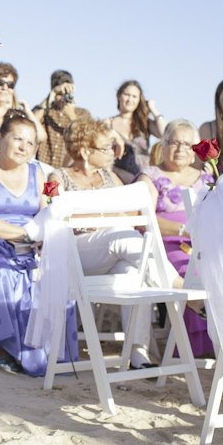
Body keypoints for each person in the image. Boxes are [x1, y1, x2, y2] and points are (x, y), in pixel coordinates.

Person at [0, 110, 77, 375]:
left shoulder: (39, 173)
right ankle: (6, 350)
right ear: (1, 138)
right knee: (1, 275)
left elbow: (49, 208)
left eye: (30, 142)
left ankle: (48, 348)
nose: (24, 147)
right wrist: (25, 235)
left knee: (57, 276)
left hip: (32, 244)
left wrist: (46, 235)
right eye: (17, 139)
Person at [48, 117, 154, 368]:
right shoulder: (57, 176)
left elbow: (131, 214)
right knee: (119, 234)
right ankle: (175, 283)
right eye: (105, 149)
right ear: (85, 151)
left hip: (108, 250)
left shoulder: (110, 177)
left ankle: (138, 352)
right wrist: (101, 217)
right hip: (72, 252)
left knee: (133, 273)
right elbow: (48, 210)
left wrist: (103, 218)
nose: (112, 154)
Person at [137, 119, 215, 357]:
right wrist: (183, 230)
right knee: (193, 270)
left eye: (186, 143)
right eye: (173, 142)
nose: (180, 148)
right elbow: (143, 219)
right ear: (163, 144)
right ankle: (197, 346)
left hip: (206, 243)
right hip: (168, 245)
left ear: (194, 150)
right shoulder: (150, 176)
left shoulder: (207, 178)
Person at [107, 80, 167, 183]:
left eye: (134, 96)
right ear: (119, 96)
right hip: (118, 178)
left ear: (139, 100)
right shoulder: (108, 123)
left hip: (143, 178)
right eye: (127, 95)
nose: (130, 99)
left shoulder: (145, 123)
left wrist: (153, 109)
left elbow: (165, 133)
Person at [33, 69, 93, 169]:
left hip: (69, 171)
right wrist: (51, 94)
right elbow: (31, 123)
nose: (62, 97)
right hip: (44, 169)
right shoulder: (45, 110)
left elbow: (89, 136)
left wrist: (72, 115)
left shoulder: (83, 113)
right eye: (59, 94)